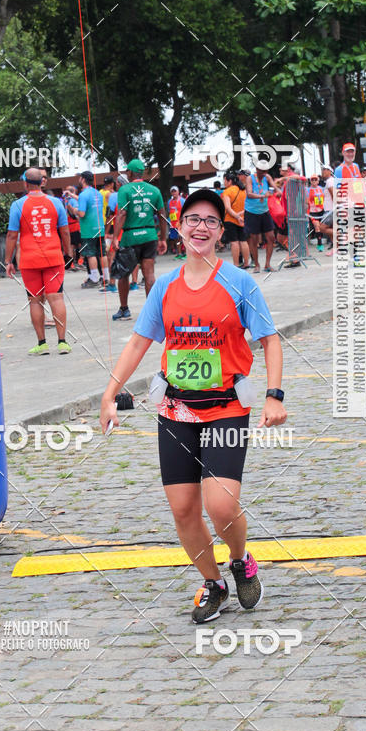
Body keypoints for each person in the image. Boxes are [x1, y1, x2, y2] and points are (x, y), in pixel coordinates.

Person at [100, 188, 287, 622]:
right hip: (176, 411)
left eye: (210, 221)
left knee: (220, 506)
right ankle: (213, 583)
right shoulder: (165, 287)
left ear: (221, 232)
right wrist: (109, 395)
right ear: (179, 227)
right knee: (184, 509)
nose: (201, 227)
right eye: (193, 219)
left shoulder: (239, 283)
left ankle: (240, 560)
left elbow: (270, 339)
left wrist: (274, 395)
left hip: (225, 409)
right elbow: (138, 343)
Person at [5, 167, 72, 355]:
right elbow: (65, 231)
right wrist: (68, 253)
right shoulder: (56, 202)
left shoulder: (17, 205)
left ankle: (42, 344)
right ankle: (62, 342)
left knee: (35, 301)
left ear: (25, 183)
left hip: (29, 260)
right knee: (56, 298)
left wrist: (8, 260)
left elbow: (12, 235)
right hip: (53, 257)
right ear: (42, 182)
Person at [111, 159, 167, 320]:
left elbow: (122, 213)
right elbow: (162, 215)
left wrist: (115, 237)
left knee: (123, 274)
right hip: (150, 236)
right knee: (149, 275)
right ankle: (152, 312)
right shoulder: (154, 190)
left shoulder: (125, 190)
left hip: (130, 237)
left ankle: (124, 309)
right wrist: (163, 238)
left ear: (129, 173)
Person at [67, 171, 109, 289]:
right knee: (102, 253)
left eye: (80, 178)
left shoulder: (83, 194)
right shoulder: (97, 193)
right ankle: (105, 278)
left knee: (90, 254)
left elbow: (81, 213)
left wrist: (72, 209)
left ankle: (94, 279)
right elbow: (86, 201)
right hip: (99, 227)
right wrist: (72, 195)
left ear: (83, 179)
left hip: (88, 230)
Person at [244, 167, 276, 273]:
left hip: (265, 211)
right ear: (257, 169)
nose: (264, 173)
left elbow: (274, 187)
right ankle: (256, 264)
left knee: (271, 237)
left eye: (266, 171)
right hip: (252, 211)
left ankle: (267, 264)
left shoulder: (267, 177)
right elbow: (249, 193)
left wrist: (278, 190)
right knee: (254, 239)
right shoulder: (250, 178)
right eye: (262, 171)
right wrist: (261, 196)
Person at [222, 171, 249, 268]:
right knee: (243, 241)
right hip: (242, 219)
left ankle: (236, 264)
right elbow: (247, 206)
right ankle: (246, 263)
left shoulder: (227, 192)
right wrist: (240, 215)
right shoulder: (243, 191)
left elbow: (228, 208)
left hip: (230, 219)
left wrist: (236, 216)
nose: (224, 183)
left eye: (224, 180)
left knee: (234, 242)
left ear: (229, 181)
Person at [307, 173, 325, 250]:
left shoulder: (322, 189)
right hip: (313, 212)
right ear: (310, 181)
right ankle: (320, 244)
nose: (314, 181)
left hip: (322, 211)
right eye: (312, 180)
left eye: (315, 179)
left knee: (322, 227)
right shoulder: (307, 190)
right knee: (317, 226)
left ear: (318, 181)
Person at [167, 185, 185, 258]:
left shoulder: (182, 200)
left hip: (180, 222)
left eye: (175, 191)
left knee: (180, 238)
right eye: (172, 191)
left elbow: (185, 211)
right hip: (173, 223)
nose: (174, 193)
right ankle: (179, 253)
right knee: (175, 239)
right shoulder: (169, 202)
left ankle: (182, 253)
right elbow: (169, 212)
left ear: (178, 192)